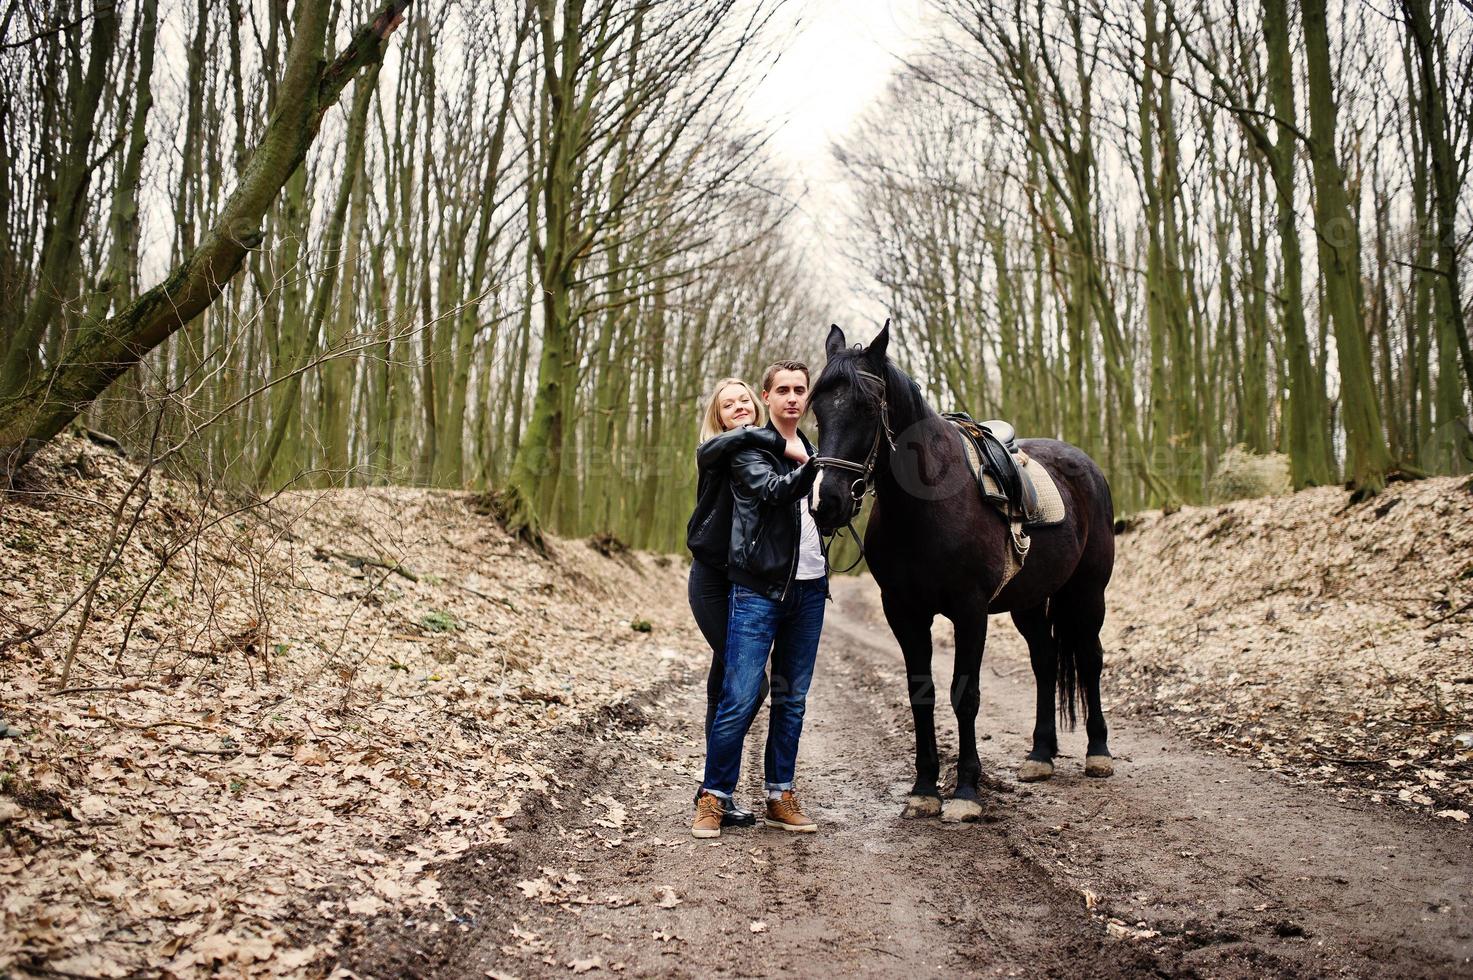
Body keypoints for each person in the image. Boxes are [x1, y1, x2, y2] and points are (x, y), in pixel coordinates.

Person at [692, 360, 827, 839]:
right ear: (766, 397)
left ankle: (780, 794)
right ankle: (714, 797)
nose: (792, 398)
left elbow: (821, 512)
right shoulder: (750, 446)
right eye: (782, 390)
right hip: (759, 588)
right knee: (741, 694)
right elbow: (772, 492)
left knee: (792, 699)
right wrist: (815, 469)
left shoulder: (815, 446)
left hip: (811, 590)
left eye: (800, 390)